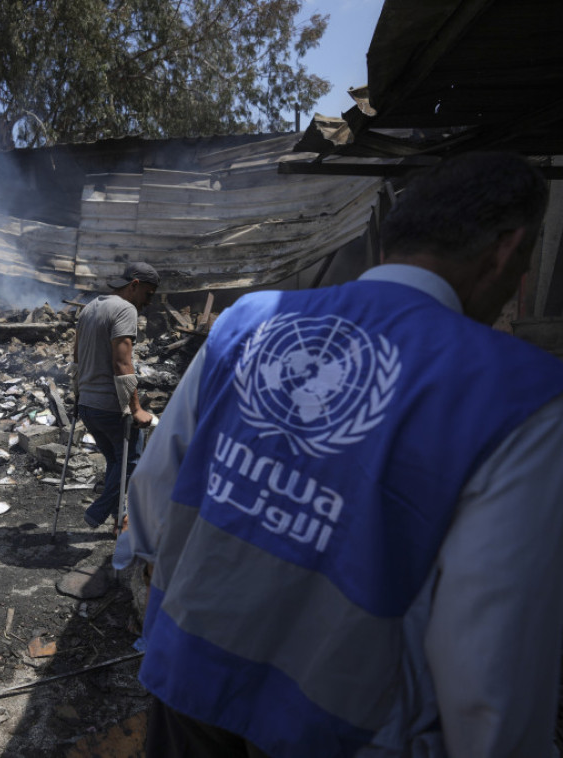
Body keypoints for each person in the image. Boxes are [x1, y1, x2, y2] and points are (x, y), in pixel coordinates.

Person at [124, 152, 563, 757]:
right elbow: (490, 668)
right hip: (338, 730)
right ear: (508, 249)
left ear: (391, 237)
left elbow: (153, 490)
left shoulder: (247, 322)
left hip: (187, 682)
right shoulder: (521, 395)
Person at [73, 261, 159, 530]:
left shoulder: (89, 308)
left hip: (87, 404)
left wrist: (78, 396)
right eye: (148, 294)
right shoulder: (125, 309)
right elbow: (122, 364)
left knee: (115, 462)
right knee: (132, 461)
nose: (148, 302)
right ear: (134, 286)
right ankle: (97, 513)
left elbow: (75, 358)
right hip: (109, 406)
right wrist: (136, 410)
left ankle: (119, 516)